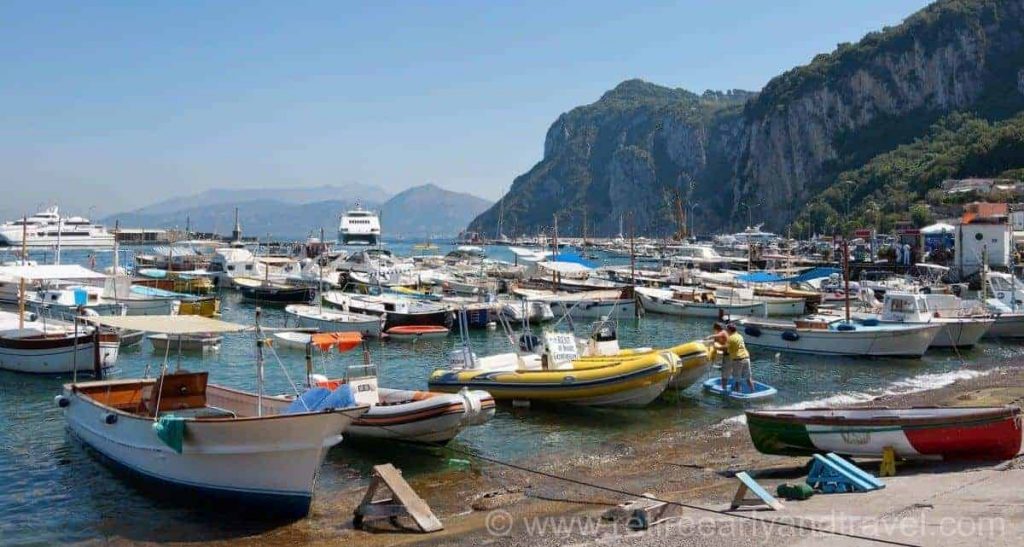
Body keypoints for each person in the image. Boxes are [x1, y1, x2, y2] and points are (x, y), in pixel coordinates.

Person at [724, 323, 754, 393]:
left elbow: (725, 350)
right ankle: (753, 391)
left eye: (726, 330)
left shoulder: (730, 339)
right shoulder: (740, 336)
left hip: (738, 360)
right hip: (746, 358)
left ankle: (738, 393)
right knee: (748, 378)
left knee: (737, 379)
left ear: (729, 330)